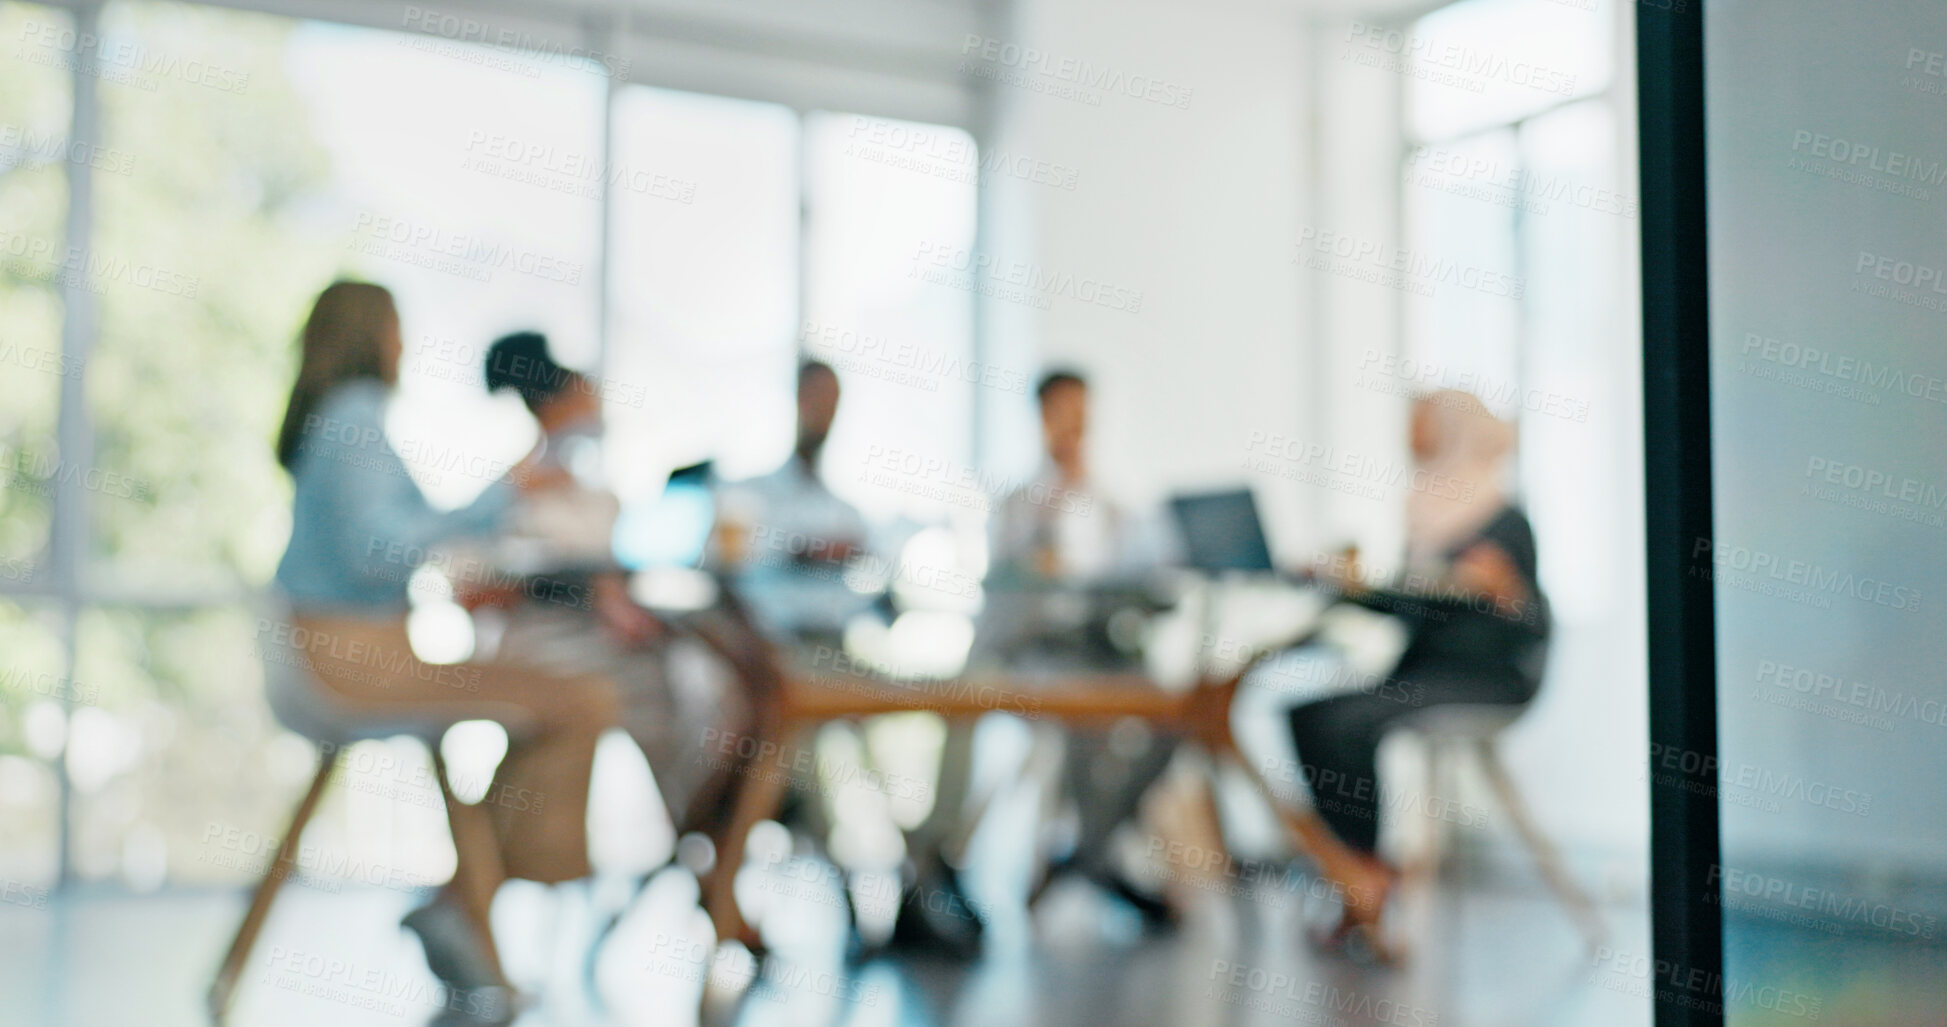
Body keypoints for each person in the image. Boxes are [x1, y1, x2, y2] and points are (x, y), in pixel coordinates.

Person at [271, 282, 622, 1022]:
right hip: (355, 661)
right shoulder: (357, 416)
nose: (404, 346)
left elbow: (400, 534)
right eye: (397, 329)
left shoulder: (333, 420)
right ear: (370, 334)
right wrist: (514, 490)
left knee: (573, 696)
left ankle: (461, 899)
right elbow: (383, 551)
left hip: (348, 647)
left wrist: (503, 496)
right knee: (586, 698)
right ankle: (462, 898)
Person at [1284, 389, 1549, 948]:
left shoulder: (1502, 519)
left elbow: (1498, 610)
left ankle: (1368, 878)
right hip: (1423, 672)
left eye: (1422, 421)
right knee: (1309, 713)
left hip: (1486, 676)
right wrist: (1347, 585)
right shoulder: (1427, 512)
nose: (1410, 432)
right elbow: (1415, 605)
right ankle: (1357, 864)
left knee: (1346, 722)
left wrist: (1484, 585)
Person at [471, 331, 745, 843]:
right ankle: (706, 835)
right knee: (691, 694)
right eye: (587, 394)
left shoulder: (574, 485)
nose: (597, 406)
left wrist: (610, 594)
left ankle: (710, 838)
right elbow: (491, 581)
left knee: (704, 683)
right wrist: (595, 596)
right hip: (551, 648)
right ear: (562, 398)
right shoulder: (523, 486)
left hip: (584, 639)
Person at [987, 370, 1178, 923]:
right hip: (1038, 652)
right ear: (1041, 419)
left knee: (1177, 715)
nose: (1073, 428)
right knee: (1082, 719)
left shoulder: (1116, 508)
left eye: (1081, 414)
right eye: (1061, 414)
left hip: (1108, 648)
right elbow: (1006, 590)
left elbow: (1148, 576)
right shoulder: (1019, 506)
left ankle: (1085, 853)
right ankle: (1100, 861)